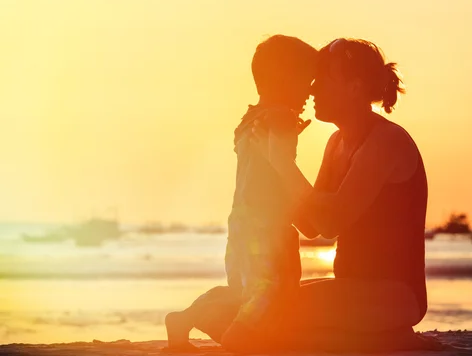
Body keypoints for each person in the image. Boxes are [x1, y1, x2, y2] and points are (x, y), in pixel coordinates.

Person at [249, 38, 430, 352]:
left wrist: (282, 162)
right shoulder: (336, 143)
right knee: (262, 306)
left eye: (324, 80)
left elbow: (331, 221)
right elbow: (310, 223)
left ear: (354, 87)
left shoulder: (386, 141)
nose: (313, 89)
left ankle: (385, 339)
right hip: (353, 289)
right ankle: (371, 340)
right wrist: (271, 165)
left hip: (395, 296)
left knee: (275, 320)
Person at [163, 35, 318, 352]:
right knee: (277, 292)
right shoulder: (282, 118)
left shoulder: (248, 122)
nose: (311, 90)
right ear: (285, 79)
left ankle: (184, 319)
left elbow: (257, 168)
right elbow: (281, 172)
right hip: (270, 228)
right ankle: (240, 335)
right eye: (307, 80)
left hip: (241, 225)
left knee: (244, 290)